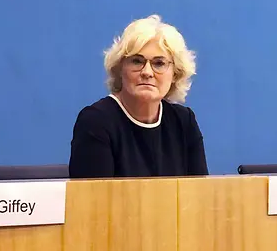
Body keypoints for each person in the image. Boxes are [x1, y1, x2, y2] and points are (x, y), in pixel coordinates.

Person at [69, 15, 208, 178]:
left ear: (175, 74)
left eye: (159, 63)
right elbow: (94, 200)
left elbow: (200, 196)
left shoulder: (184, 122)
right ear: (120, 68)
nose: (147, 72)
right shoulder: (96, 121)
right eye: (137, 61)